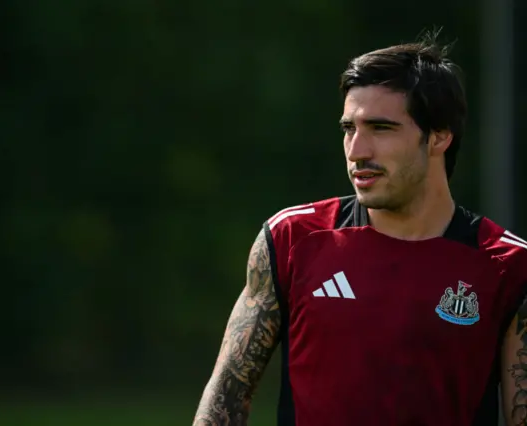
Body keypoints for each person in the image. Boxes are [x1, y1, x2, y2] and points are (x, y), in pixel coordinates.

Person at [192, 32, 527, 426]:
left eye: (381, 128)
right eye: (349, 128)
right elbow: (225, 398)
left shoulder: (508, 265)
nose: (356, 150)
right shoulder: (292, 240)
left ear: (439, 136)